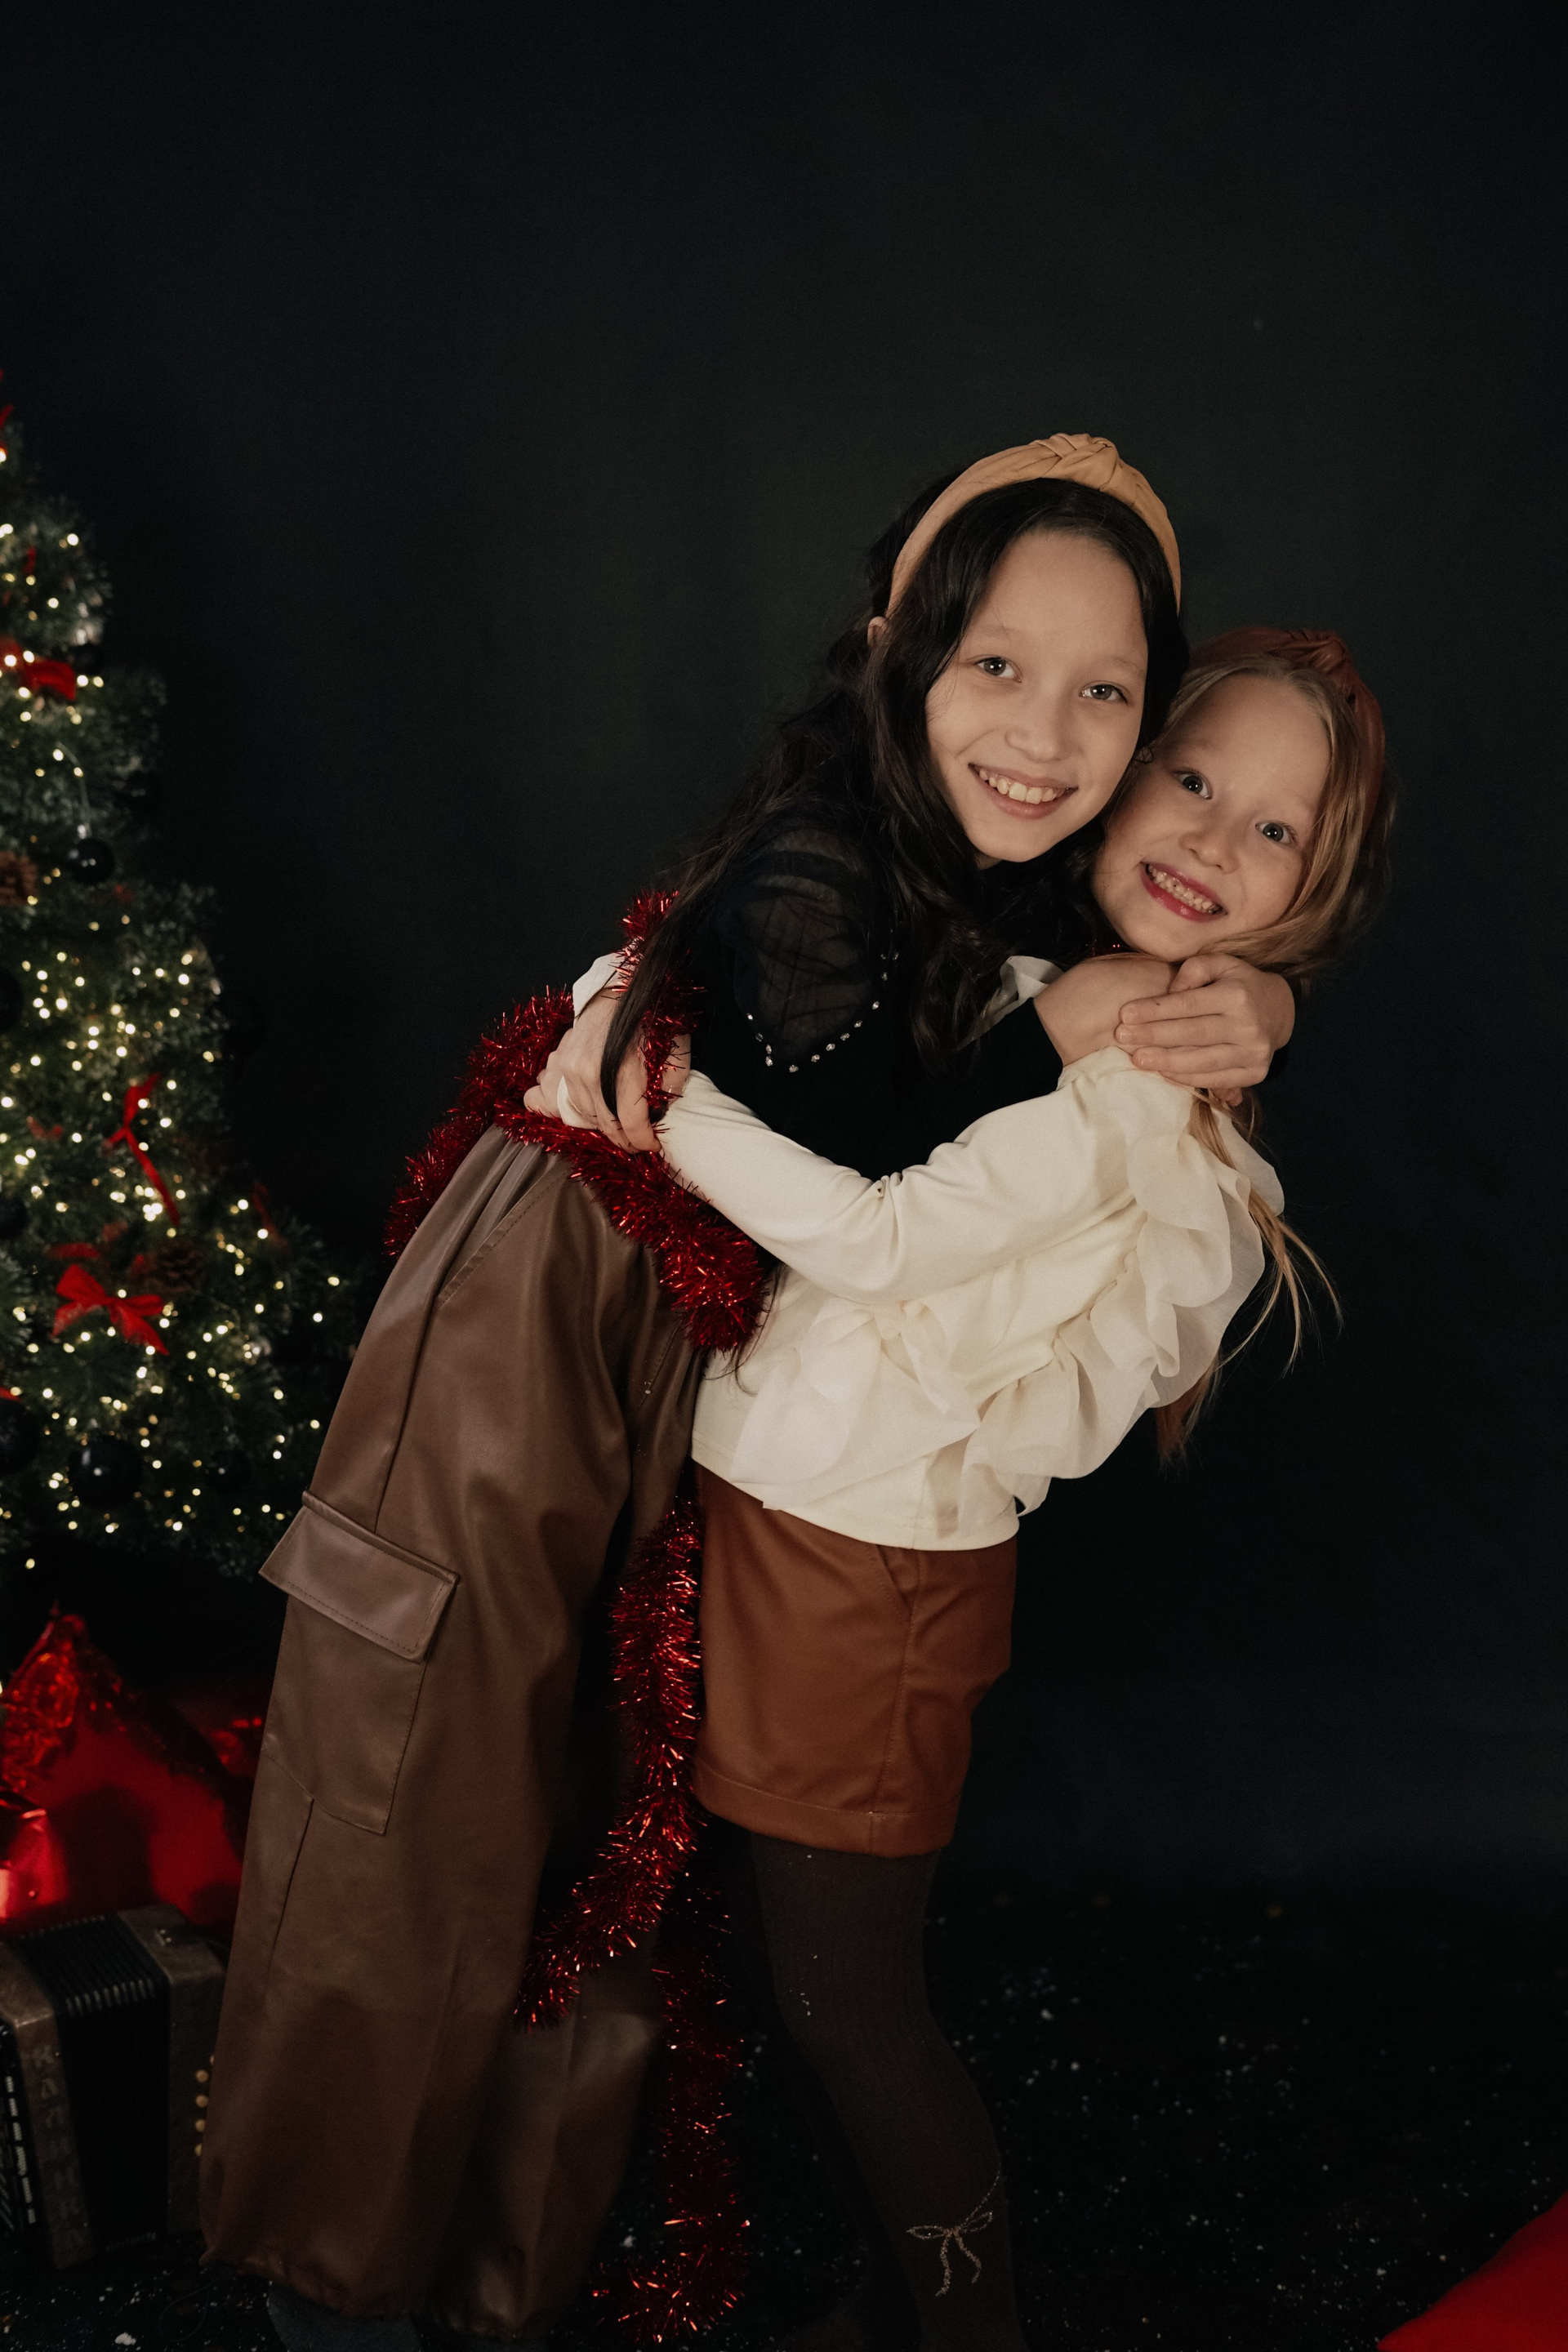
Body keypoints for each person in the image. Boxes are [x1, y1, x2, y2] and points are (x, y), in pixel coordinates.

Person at [201, 438, 1291, 2352]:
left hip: (713, 1340)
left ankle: (500, 2275)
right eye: (996, 665)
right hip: (562, 1297)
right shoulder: (824, 858)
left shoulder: (1022, 858)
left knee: (609, 1815)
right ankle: (335, 2290)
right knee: (427, 1785)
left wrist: (1251, 997)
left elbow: (1146, 958)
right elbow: (866, 1162)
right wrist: (1049, 1019)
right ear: (897, 651)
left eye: (1107, 692)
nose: (1046, 733)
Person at [585, 626, 1389, 2352]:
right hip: (798, 1532)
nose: (1210, 836)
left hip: (868, 1582)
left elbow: (876, 1240)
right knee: (797, 1987)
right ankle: (893, 2302)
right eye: (1192, 778)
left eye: (1275, 831)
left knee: (846, 2002)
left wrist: (650, 1087)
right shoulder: (1041, 972)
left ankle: (969, 2330)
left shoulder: (1134, 1079)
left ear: (1312, 895)